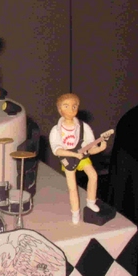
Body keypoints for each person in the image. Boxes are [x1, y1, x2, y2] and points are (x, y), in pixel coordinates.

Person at [49, 93, 107, 224]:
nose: (71, 109)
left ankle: (91, 202)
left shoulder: (83, 127)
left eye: (74, 106)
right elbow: (57, 151)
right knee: (72, 187)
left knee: (93, 176)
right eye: (66, 106)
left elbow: (90, 148)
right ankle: (75, 212)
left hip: (82, 157)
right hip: (68, 160)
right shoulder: (56, 130)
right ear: (59, 109)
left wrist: (100, 148)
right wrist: (74, 155)